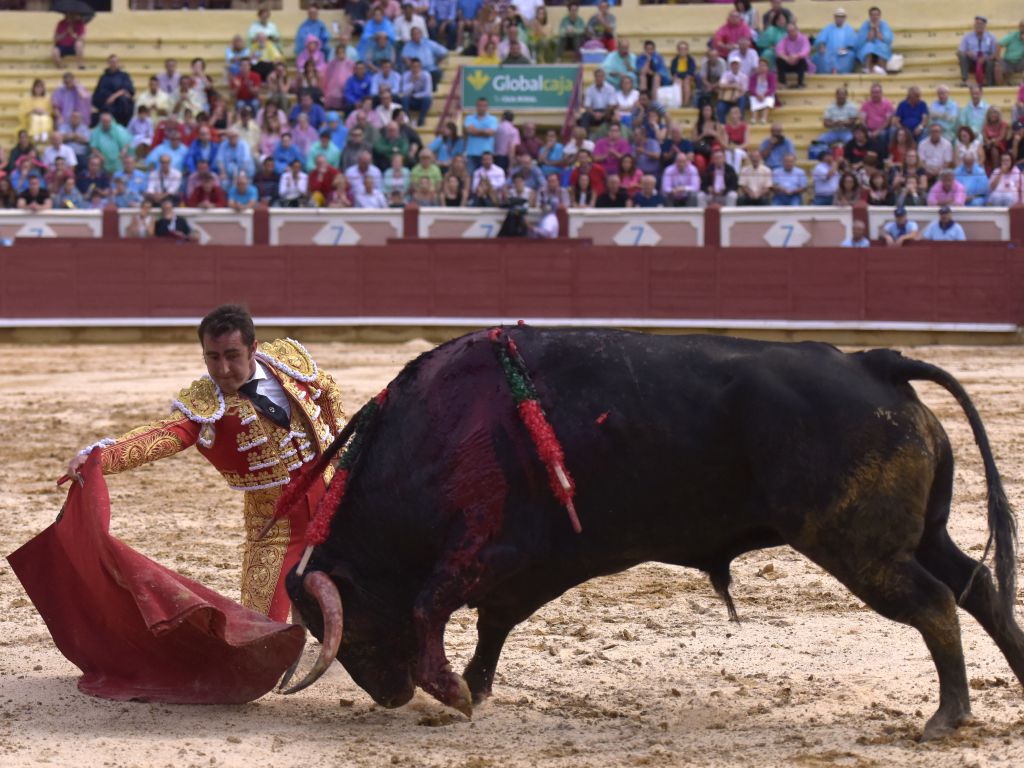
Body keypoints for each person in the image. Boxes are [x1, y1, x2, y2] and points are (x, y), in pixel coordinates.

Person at [64, 306, 346, 622]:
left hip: (333, 505)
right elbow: (162, 435)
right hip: (275, 524)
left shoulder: (288, 364)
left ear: (253, 348)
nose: (223, 369)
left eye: (232, 355)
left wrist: (343, 455)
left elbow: (326, 390)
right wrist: (98, 458)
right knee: (263, 633)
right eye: (212, 357)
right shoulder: (206, 405)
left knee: (351, 612)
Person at [91, 54, 135, 127]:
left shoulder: (124, 76)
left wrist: (114, 96)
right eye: (112, 62)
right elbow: (97, 93)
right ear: (108, 63)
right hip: (106, 105)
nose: (114, 64)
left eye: (116, 62)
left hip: (120, 105)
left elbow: (127, 90)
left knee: (124, 101)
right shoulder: (103, 78)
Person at [813, 8, 857, 75]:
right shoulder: (828, 28)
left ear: (844, 18)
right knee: (821, 56)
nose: (839, 18)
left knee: (850, 55)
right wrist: (822, 47)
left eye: (841, 17)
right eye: (838, 16)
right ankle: (830, 71)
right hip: (829, 52)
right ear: (835, 17)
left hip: (843, 52)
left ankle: (838, 71)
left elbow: (852, 45)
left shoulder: (849, 29)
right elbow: (821, 39)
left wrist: (845, 49)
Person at [958, 16, 997, 88]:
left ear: (985, 26)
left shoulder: (991, 37)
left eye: (981, 24)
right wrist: (967, 53)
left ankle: (988, 83)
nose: (979, 26)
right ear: (974, 25)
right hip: (972, 60)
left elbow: (995, 54)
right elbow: (960, 51)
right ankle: (965, 80)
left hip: (985, 61)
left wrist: (985, 58)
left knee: (990, 62)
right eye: (977, 24)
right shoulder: (967, 36)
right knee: (962, 56)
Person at [856, 6, 893, 74]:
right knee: (869, 46)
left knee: (881, 46)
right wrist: (872, 29)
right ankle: (867, 69)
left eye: (877, 15)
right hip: (869, 46)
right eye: (873, 15)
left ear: (880, 16)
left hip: (881, 44)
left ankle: (882, 69)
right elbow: (868, 39)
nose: (875, 17)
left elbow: (884, 39)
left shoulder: (884, 24)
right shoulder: (865, 24)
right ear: (869, 16)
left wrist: (877, 29)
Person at [775, 23, 810, 89]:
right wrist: (786, 58)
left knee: (802, 60)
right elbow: (778, 51)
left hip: (799, 63)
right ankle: (783, 83)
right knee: (779, 60)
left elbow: (806, 51)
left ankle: (800, 83)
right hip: (788, 62)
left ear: (797, 30)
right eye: (788, 31)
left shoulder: (803, 38)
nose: (790, 33)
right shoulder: (784, 39)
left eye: (792, 31)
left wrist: (796, 56)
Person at [747, 58, 776, 125]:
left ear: (767, 67)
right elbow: (751, 88)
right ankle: (754, 118)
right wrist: (757, 95)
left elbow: (772, 88)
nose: (762, 67)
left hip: (767, 94)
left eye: (764, 65)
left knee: (768, 100)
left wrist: (764, 95)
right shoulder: (753, 76)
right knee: (753, 99)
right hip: (756, 95)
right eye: (760, 65)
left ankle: (764, 119)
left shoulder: (771, 76)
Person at [997, 20, 1024, 86]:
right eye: (1022, 26)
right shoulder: (1012, 36)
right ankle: (1002, 86)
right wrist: (998, 59)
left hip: (1020, 62)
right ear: (1019, 28)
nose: (1023, 28)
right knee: (997, 67)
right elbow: (999, 44)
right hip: (1008, 61)